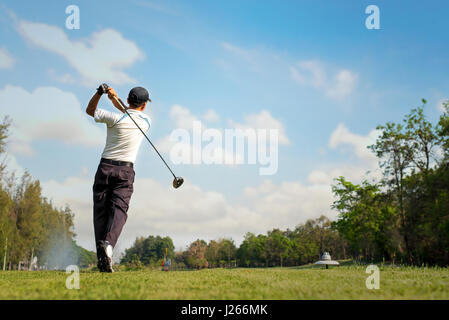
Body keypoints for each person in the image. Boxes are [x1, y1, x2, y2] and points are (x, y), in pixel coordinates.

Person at [85, 84, 152, 272]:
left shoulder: (114, 118)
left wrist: (100, 93)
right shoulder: (146, 120)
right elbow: (129, 112)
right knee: (119, 211)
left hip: (105, 167)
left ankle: (102, 258)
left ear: (129, 100)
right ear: (144, 105)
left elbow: (90, 110)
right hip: (125, 171)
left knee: (100, 212)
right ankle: (108, 245)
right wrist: (114, 99)